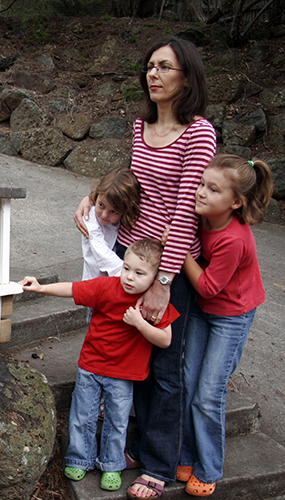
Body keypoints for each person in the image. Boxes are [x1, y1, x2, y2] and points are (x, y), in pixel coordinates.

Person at [74, 36, 217, 500]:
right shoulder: (141, 126)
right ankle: (133, 445)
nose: (153, 74)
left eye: (165, 67)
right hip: (131, 262)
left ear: (186, 77)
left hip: (167, 269)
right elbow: (133, 187)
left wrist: (165, 281)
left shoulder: (199, 132)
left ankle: (158, 462)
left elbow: (184, 209)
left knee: (165, 368)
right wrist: (94, 201)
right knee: (127, 358)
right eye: (150, 66)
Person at [19, 239, 180, 492]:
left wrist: (140, 323)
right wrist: (40, 288)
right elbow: (73, 289)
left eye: (139, 273)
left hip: (123, 374)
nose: (129, 277)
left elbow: (166, 339)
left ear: (155, 277)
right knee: (82, 414)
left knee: (117, 421)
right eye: (126, 268)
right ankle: (79, 458)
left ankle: (112, 464)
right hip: (91, 365)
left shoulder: (153, 305)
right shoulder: (107, 287)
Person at [176, 155, 273, 497]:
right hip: (206, 312)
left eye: (212, 189)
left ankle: (209, 467)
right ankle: (186, 454)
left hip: (231, 316)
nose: (200, 192)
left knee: (208, 393)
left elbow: (207, 287)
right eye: (202, 184)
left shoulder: (234, 239)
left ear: (235, 202)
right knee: (188, 381)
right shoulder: (201, 217)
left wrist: (180, 249)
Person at [79, 168, 141, 321]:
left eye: (114, 212)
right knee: (94, 324)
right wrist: (127, 273)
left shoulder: (122, 222)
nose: (105, 215)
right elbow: (101, 253)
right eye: (101, 205)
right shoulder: (91, 218)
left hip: (111, 285)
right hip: (94, 286)